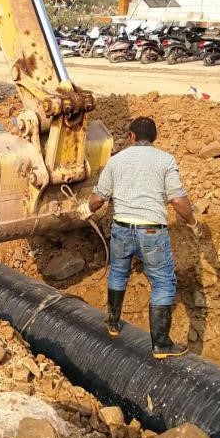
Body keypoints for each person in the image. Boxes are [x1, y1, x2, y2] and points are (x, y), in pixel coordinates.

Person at [78, 116, 200, 359]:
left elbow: (99, 198)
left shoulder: (116, 160)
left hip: (122, 228)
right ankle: (161, 344)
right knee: (163, 283)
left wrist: (85, 209)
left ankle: (112, 323)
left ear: (132, 136)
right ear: (154, 137)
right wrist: (193, 222)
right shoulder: (165, 160)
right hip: (152, 231)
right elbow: (178, 200)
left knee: (118, 272)